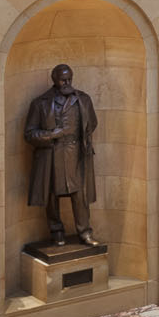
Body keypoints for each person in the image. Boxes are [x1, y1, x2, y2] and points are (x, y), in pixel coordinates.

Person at [24, 62, 100, 248]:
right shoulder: (41, 103)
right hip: (51, 156)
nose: (67, 82)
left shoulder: (83, 100)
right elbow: (29, 134)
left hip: (75, 155)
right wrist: (53, 134)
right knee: (52, 195)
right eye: (63, 79)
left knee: (79, 195)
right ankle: (56, 231)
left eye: (69, 79)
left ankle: (85, 232)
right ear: (55, 80)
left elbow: (92, 123)